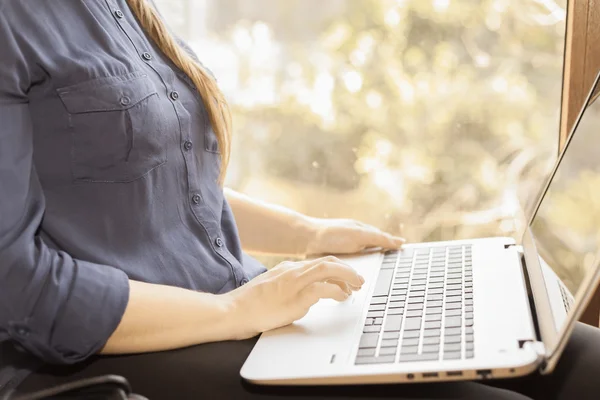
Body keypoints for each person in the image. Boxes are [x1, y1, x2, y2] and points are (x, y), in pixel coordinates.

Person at [0, 1, 598, 399]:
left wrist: (306, 234)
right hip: (113, 352)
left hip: (234, 311)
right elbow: (18, 288)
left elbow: (153, 186)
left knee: (584, 360)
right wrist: (237, 313)